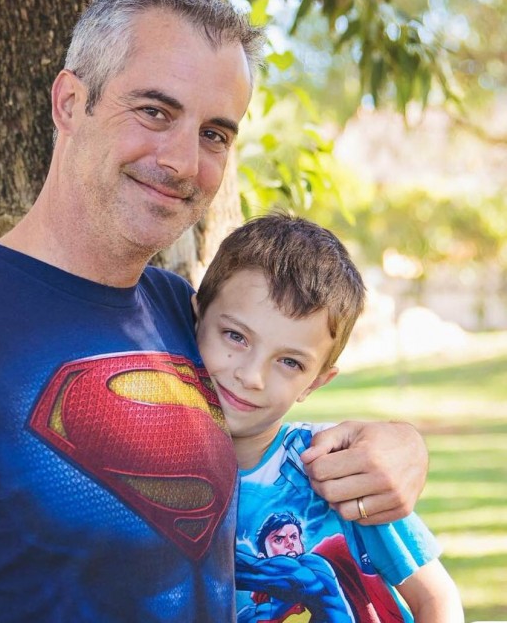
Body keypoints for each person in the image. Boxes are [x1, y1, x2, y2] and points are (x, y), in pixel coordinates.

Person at [0, 0, 428, 622]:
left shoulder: (185, 314)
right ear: (69, 102)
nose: (181, 160)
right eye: (154, 111)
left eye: (215, 134)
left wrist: (401, 445)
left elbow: (276, 425)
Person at [192, 212, 463, 622]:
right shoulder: (148, 476)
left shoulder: (340, 471)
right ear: (196, 319)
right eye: (236, 336)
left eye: (289, 362)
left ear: (315, 383)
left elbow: (436, 600)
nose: (251, 376)